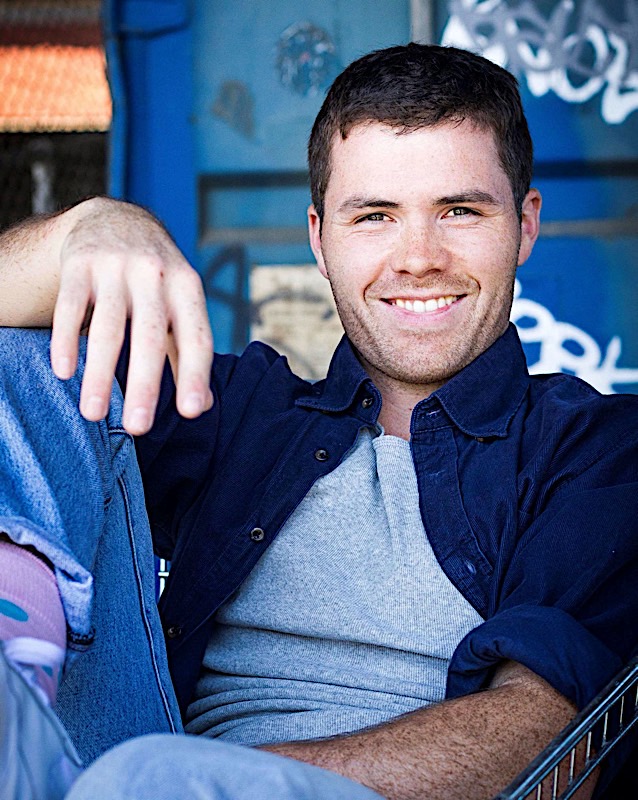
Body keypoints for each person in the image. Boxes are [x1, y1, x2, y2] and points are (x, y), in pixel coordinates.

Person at [0, 43, 636, 800]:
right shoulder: (239, 414)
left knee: (145, 774)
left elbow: (548, 746)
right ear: (319, 238)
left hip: (170, 786)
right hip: (117, 762)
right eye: (374, 216)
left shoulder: (593, 448)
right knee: (25, 359)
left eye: (460, 211)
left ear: (525, 226)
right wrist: (91, 229)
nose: (419, 258)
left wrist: (195, 785)